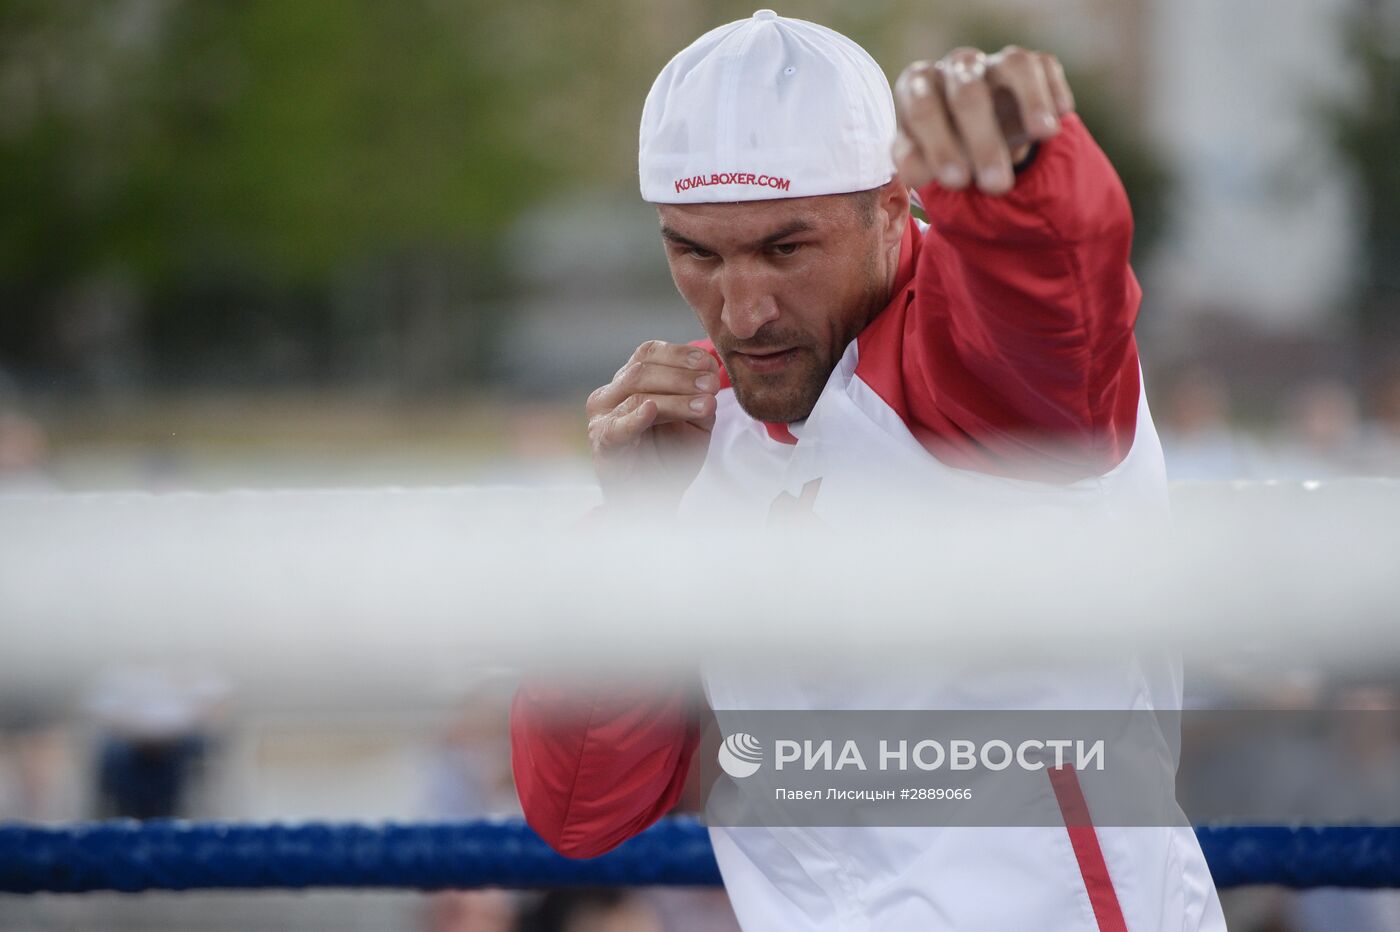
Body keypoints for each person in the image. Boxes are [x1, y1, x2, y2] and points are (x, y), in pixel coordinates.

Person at [512, 11, 1226, 931]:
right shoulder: (697, 429)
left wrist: (1013, 169)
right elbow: (579, 811)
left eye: (786, 247)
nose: (744, 308)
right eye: (696, 251)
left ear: (893, 207)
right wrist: (635, 534)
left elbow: (1051, 293)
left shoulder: (984, 367)